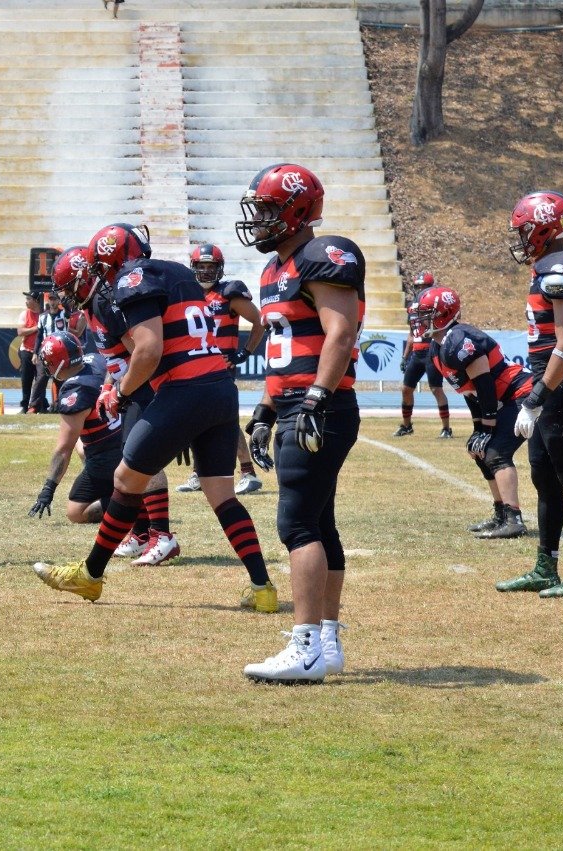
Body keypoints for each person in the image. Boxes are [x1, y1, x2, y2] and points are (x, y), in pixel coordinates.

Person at [33, 221, 275, 606]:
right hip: (218, 389)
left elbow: (147, 350)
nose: (100, 273)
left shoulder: (128, 282)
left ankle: (92, 575)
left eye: (100, 265)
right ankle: (263, 589)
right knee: (223, 497)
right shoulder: (177, 270)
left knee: (125, 480)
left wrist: (123, 394)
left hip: (184, 391)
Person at [237, 163, 364, 683]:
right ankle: (327, 642)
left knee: (295, 524)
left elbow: (340, 332)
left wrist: (314, 398)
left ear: (295, 210)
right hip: (295, 402)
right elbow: (283, 351)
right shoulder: (273, 272)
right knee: (318, 522)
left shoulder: (321, 255)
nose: (260, 221)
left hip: (321, 406)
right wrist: (267, 409)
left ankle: (306, 645)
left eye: (267, 209)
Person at [495, 191, 563, 598]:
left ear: (544, 227)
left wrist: (537, 396)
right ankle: (546, 565)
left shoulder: (561, 270)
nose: (521, 239)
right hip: (555, 385)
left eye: (525, 231)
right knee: (543, 473)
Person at [50, 236, 178, 567]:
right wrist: (111, 386)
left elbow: (139, 349)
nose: (65, 296)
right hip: (127, 389)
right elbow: (114, 357)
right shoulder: (95, 306)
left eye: (67, 287)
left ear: (81, 279)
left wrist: (130, 388)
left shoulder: (107, 303)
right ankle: (139, 534)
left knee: (143, 460)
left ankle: (161, 535)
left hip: (143, 387)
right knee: (130, 463)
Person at [415, 285, 530, 540]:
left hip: (521, 393)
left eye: (425, 314)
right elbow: (471, 393)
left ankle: (514, 519)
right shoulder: (438, 347)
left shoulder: (460, 339)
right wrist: (479, 429)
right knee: (480, 451)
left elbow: (485, 385)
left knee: (496, 451)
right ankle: (501, 513)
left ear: (443, 314)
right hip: (501, 401)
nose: (420, 321)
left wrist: (488, 428)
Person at [175, 243, 267, 496]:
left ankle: (248, 472)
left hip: (220, 370)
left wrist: (243, 353)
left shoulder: (229, 292)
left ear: (220, 269)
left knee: (225, 420)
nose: (205, 272)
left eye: (210, 267)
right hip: (194, 367)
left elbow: (260, 323)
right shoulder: (188, 292)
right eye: (201, 266)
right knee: (197, 420)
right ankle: (198, 472)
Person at [27, 332, 125, 525]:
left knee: (75, 512)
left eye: (48, 361)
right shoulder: (96, 360)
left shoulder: (74, 392)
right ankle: (121, 489)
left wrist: (49, 488)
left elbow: (64, 449)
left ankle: (129, 503)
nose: (46, 365)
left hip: (107, 454)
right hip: (124, 437)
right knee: (82, 443)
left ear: (59, 363)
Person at [395, 271, 452, 438]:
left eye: (423, 287)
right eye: (418, 287)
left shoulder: (436, 306)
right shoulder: (413, 308)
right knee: (406, 389)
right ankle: (407, 426)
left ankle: (446, 428)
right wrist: (405, 356)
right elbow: (411, 333)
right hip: (416, 354)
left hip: (431, 351)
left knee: (436, 389)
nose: (420, 290)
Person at [15, 291, 41, 413]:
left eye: (28, 299)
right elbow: (20, 332)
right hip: (26, 350)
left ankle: (39, 405)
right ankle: (25, 405)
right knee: (26, 379)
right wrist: (36, 328)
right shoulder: (24, 314)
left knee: (41, 379)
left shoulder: (43, 314)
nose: (26, 301)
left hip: (41, 352)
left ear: (35, 300)